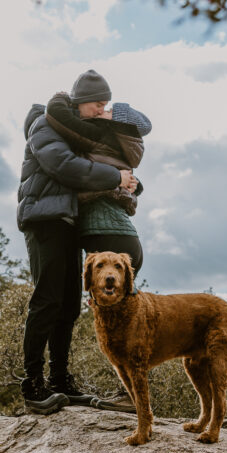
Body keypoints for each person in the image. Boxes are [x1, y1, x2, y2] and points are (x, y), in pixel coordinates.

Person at [17, 72, 136, 412]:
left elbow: (91, 163)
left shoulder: (73, 130)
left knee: (68, 304)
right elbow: (64, 166)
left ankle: (59, 381)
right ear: (82, 100)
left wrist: (128, 182)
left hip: (68, 219)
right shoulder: (43, 124)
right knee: (47, 300)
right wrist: (115, 176)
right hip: (44, 218)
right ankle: (32, 386)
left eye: (105, 105)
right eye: (98, 104)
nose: (101, 111)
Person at [45, 83, 151, 274]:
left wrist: (60, 97)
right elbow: (117, 170)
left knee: (109, 301)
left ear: (118, 123)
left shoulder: (102, 134)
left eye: (109, 110)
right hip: (122, 232)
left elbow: (57, 115)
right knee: (123, 301)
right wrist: (136, 184)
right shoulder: (125, 145)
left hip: (107, 230)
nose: (103, 110)